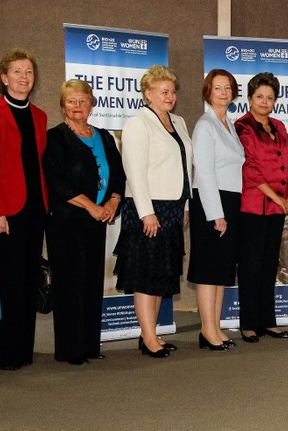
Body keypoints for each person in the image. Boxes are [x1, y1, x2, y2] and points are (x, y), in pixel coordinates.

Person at [43, 79, 125, 365]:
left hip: (97, 220)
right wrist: (91, 206)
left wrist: (113, 201)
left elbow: (118, 174)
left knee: (92, 282)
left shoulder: (104, 137)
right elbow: (57, 182)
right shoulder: (55, 137)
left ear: (92, 103)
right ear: (63, 105)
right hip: (66, 222)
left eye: (82, 100)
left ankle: (90, 343)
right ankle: (70, 349)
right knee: (69, 284)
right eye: (71, 101)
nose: (77, 106)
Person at [114, 65, 192, 358]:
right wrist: (147, 212)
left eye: (172, 91)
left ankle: (152, 333)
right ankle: (148, 337)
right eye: (163, 91)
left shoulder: (180, 122)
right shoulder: (138, 122)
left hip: (173, 208)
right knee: (146, 275)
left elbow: (186, 167)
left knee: (161, 274)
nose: (169, 96)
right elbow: (133, 171)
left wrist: (185, 203)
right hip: (148, 209)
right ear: (148, 94)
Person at [0, 48, 47, 375]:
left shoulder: (40, 116)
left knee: (27, 279)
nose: (24, 78)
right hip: (7, 211)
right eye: (17, 72)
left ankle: (23, 349)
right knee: (7, 282)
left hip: (35, 209)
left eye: (29, 72)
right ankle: (3, 354)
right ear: (4, 78)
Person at [235, 72, 288, 343]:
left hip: (278, 208)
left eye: (269, 97)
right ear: (249, 98)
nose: (264, 101)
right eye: (259, 96)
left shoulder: (280, 127)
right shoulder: (242, 126)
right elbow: (250, 170)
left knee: (269, 264)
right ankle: (249, 323)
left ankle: (267, 320)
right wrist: (279, 198)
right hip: (254, 206)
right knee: (251, 265)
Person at [189, 69, 245, 351]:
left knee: (222, 268)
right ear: (208, 92)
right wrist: (216, 213)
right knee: (209, 269)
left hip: (230, 201)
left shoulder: (229, 124)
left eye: (228, 88)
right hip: (212, 203)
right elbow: (205, 172)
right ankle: (207, 329)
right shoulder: (205, 126)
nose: (223, 92)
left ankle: (216, 326)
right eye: (217, 88)